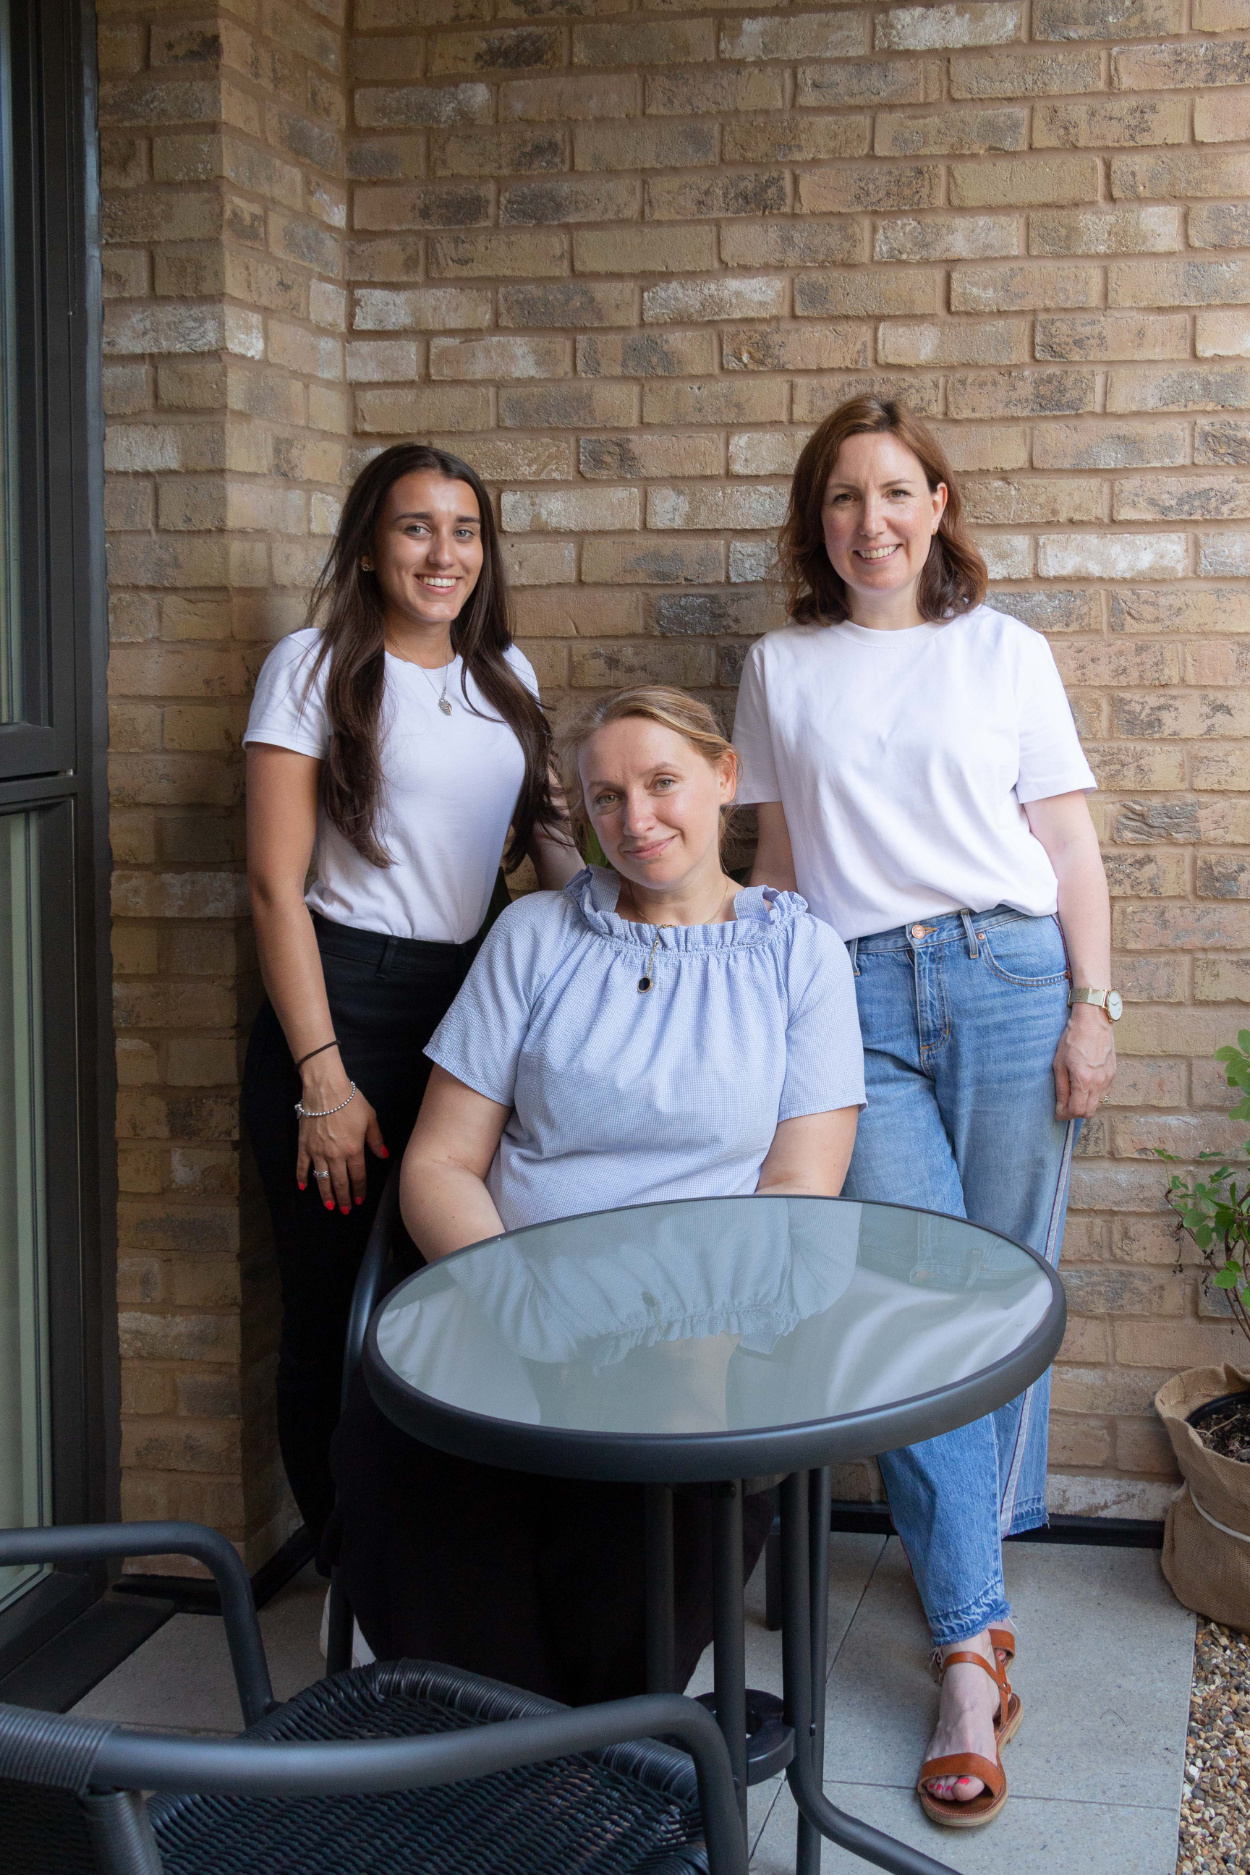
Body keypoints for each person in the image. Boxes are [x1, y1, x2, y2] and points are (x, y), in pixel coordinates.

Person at [733, 395, 1117, 1828]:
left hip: (1009, 975)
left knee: (1005, 1291)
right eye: (842, 497)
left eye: (895, 492)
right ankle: (968, 1646)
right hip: (848, 1000)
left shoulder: (1004, 649)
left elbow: (1064, 837)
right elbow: (777, 857)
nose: (870, 522)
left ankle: (973, 1589)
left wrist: (1096, 1002)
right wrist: (756, 1028)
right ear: (815, 519)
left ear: (937, 504)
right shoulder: (778, 665)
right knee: (909, 1307)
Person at [330, 686, 865, 1702]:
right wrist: (515, 1302)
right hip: (512, 1296)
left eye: (661, 783)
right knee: (405, 1449)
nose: (636, 818)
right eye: (606, 798)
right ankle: (491, 1744)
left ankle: (587, 1752)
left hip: (700, 1323)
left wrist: (688, 1334)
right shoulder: (535, 936)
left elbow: (799, 1186)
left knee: (660, 1496)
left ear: (722, 779)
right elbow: (440, 1163)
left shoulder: (801, 954)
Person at [241, 442, 580, 1546]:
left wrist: (624, 931)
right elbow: (273, 889)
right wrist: (320, 1080)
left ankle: (437, 1552)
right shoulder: (312, 667)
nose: (445, 553)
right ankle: (350, 1568)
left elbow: (541, 845)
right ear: (369, 546)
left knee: (450, 1292)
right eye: (415, 528)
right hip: (340, 1004)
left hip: (471, 1005)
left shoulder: (507, 677)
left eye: (465, 530)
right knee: (336, 1308)